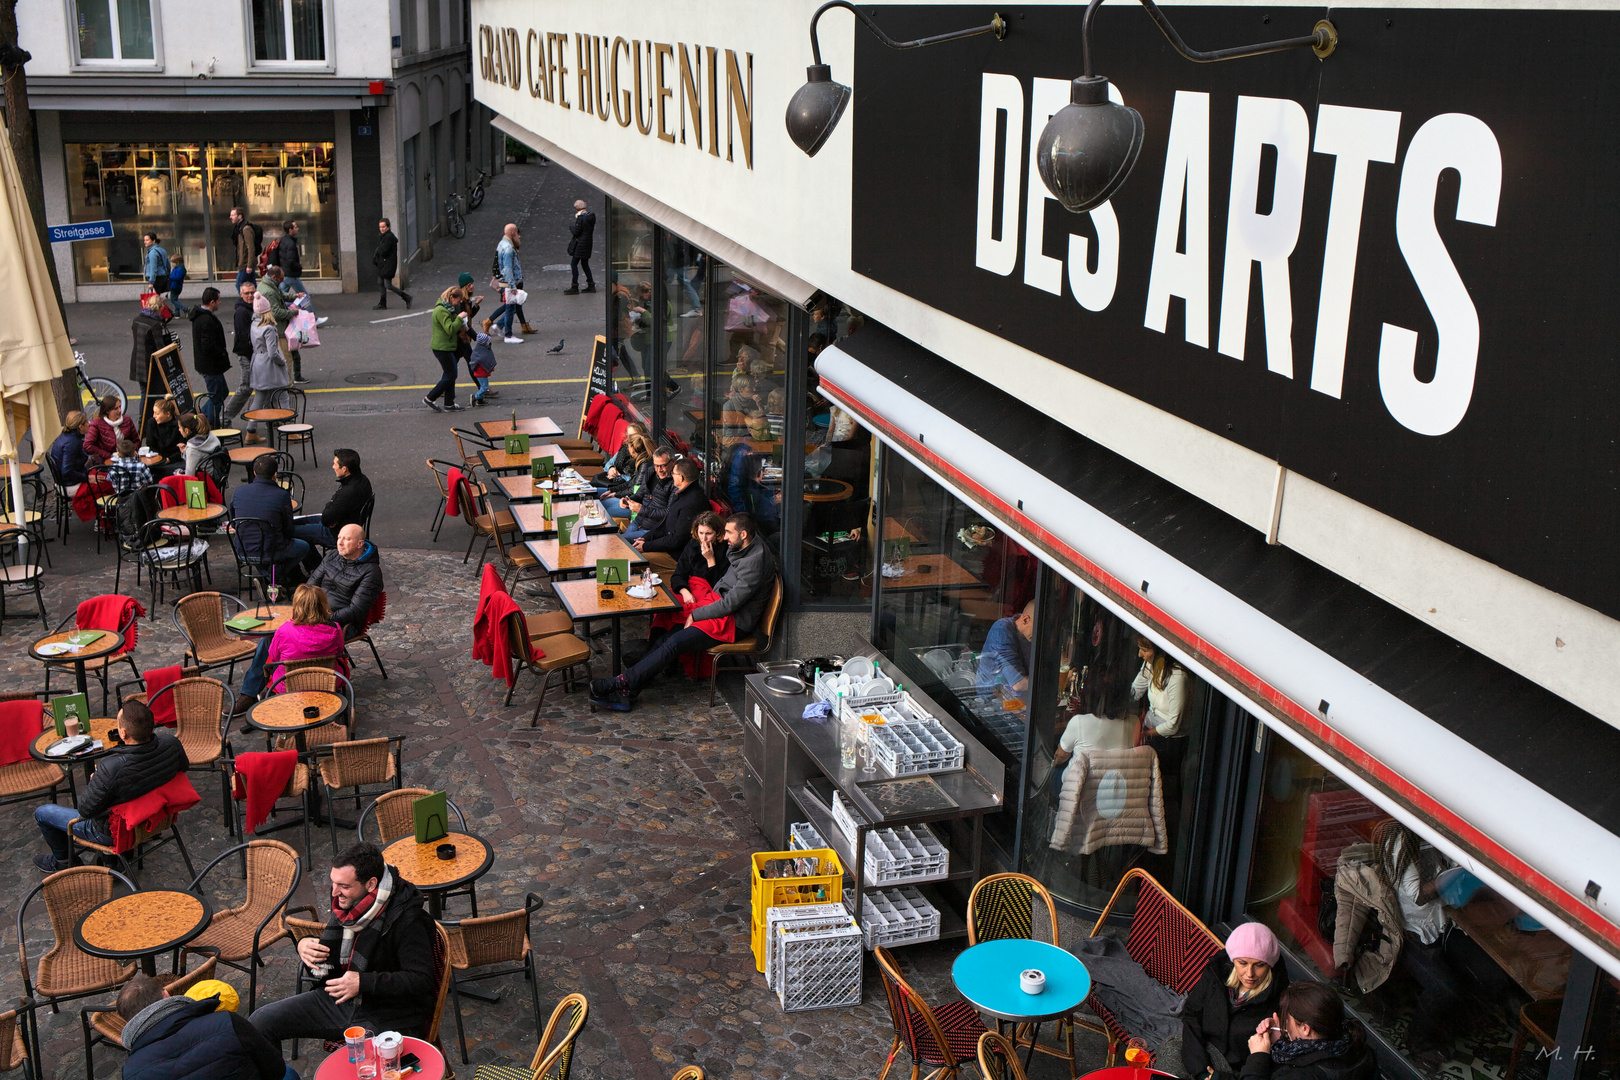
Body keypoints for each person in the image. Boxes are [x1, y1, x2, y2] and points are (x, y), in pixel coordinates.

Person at [249, 842, 437, 1046]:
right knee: (260, 1022)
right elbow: (327, 960)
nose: (334, 892)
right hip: (341, 997)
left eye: (344, 886)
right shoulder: (347, 906)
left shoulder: (409, 919)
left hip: (389, 1012)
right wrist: (303, 944)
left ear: (371, 884)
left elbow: (421, 980)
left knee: (362, 1066)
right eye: (334, 883)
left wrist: (363, 982)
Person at [590, 512, 775, 711]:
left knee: (675, 642)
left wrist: (695, 614)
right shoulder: (746, 547)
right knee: (670, 634)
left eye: (729, 532)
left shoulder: (754, 561)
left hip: (732, 622)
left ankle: (618, 683)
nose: (726, 537)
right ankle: (628, 690)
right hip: (719, 607)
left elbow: (730, 604)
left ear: (744, 534)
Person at [33, 700, 186, 872]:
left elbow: (85, 810)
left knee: (43, 813)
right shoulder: (172, 743)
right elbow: (182, 768)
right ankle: (112, 861)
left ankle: (63, 861)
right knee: (112, 799)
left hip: (116, 833)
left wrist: (96, 781)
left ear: (124, 733)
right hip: (155, 818)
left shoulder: (111, 768)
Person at [115, 971, 296, 1080]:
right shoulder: (226, 1022)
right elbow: (275, 1070)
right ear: (167, 995)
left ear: (129, 1022)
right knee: (289, 1074)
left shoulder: (132, 1072)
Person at [1182, 921, 1292, 1080]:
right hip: (1201, 1055)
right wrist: (1202, 1072)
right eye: (1243, 963)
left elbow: (1264, 1065)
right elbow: (1191, 1015)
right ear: (1233, 960)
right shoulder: (1216, 974)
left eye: (1259, 965)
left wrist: (1219, 1077)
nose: (1250, 973)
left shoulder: (1279, 1000)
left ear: (1269, 965)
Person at [235, 582, 350, 709]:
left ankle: (265, 691)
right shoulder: (335, 628)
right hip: (327, 681)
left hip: (288, 684)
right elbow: (340, 651)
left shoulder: (283, 630)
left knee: (271, 658)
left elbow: (274, 656)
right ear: (323, 605)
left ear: (296, 606)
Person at [1240, 981, 1376, 1080]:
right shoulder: (1357, 1046)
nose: (1284, 1023)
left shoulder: (1301, 1075)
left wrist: (1258, 1058)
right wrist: (1280, 1039)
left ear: (1305, 1029)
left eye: (1287, 1019)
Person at [230, 454, 308, 581]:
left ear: (254, 473)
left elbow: (233, 523)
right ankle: (272, 577)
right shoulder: (281, 495)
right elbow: (288, 529)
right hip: (271, 552)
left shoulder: (238, 492)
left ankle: (268, 575)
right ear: (275, 474)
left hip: (243, 551)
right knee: (304, 547)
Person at [306, 524, 384, 640]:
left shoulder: (371, 572)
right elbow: (310, 586)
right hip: (317, 614)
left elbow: (356, 609)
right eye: (339, 538)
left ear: (360, 544)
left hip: (343, 624)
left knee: (296, 638)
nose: (340, 543)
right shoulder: (332, 556)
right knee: (278, 632)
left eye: (347, 539)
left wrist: (324, 618)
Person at [293, 448, 373, 554]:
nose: (333, 467)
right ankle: (314, 564)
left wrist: (332, 510)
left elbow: (326, 519)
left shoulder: (347, 492)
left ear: (344, 469)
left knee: (291, 531)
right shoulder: (362, 480)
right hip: (345, 523)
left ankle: (314, 565)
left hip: (336, 533)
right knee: (295, 522)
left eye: (335, 464)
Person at [635, 457, 706, 562]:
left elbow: (677, 540)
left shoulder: (692, 502)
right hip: (667, 547)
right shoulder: (681, 494)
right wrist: (646, 538)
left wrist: (646, 546)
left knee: (636, 560)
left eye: (673, 473)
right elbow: (665, 524)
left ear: (681, 478)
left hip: (676, 556)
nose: (671, 475)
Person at [245, 295, 290, 442]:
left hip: (257, 362)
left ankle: (251, 431)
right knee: (283, 394)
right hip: (269, 366)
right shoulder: (269, 328)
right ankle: (289, 429)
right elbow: (272, 352)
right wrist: (282, 361)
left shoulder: (254, 324)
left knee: (259, 397)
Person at [258, 265, 308, 385]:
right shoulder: (269, 291)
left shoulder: (269, 285)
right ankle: (287, 385)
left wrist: (294, 296)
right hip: (278, 329)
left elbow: (281, 295)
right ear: (275, 277)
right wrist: (293, 312)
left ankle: (290, 380)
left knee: (291, 354)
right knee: (287, 358)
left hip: (278, 327)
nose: (282, 281)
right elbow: (276, 313)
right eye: (281, 279)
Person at [224, 282, 261, 443]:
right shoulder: (241, 312)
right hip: (247, 355)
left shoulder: (251, 308)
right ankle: (225, 418)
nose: (250, 295)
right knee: (246, 387)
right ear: (241, 294)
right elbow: (244, 336)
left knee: (259, 387)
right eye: (247, 293)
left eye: (252, 292)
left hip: (252, 354)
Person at [188, 287, 231, 425]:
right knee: (217, 398)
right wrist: (221, 352)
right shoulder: (206, 320)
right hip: (211, 365)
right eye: (218, 300)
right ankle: (207, 423)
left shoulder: (200, 316)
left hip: (207, 364)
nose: (219, 303)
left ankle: (201, 417)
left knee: (222, 392)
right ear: (212, 302)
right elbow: (208, 345)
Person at [977, 600, 1034, 697]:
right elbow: (1018, 684)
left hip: (1019, 696)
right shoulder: (1001, 631)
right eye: (1038, 629)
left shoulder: (1028, 634)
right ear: (1025, 620)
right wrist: (1050, 681)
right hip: (992, 698)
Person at [424, 285, 467, 412]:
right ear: (451, 297)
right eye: (458, 301)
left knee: (450, 374)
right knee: (451, 374)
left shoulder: (447, 308)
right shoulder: (442, 311)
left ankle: (449, 403)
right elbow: (449, 329)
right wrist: (460, 318)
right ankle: (430, 397)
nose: (458, 304)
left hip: (447, 346)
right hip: (442, 347)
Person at [671, 510, 730, 601]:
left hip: (711, 594)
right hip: (690, 589)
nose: (703, 538)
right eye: (701, 533)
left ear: (718, 533)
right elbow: (678, 574)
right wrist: (684, 591)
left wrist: (710, 559)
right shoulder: (692, 545)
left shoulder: (725, 549)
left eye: (708, 533)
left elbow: (720, 585)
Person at [621, 449, 674, 543]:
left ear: (673, 462)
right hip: (638, 522)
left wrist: (641, 510)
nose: (659, 470)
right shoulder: (651, 472)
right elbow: (640, 494)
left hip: (653, 530)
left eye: (663, 465)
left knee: (621, 541)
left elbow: (669, 513)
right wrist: (628, 500)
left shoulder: (675, 483)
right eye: (656, 465)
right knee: (621, 542)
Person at [130, 292, 169, 419]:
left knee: (144, 394)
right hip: (150, 366)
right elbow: (160, 349)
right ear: (160, 308)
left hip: (137, 362)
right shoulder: (155, 325)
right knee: (156, 394)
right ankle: (152, 420)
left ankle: (142, 422)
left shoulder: (137, 320)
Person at [494, 223, 533, 340]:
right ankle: (508, 335)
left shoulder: (502, 244)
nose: (519, 236)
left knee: (512, 307)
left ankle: (501, 326)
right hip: (509, 282)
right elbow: (508, 268)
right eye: (517, 233)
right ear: (512, 233)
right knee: (511, 308)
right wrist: (512, 286)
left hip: (505, 281)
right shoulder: (508, 248)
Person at [84, 394, 136, 466]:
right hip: (106, 461)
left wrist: (132, 451)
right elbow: (88, 445)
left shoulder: (127, 420)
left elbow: (136, 440)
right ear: (107, 411)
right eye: (116, 408)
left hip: (128, 459)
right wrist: (107, 455)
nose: (120, 410)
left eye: (120, 407)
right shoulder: (96, 424)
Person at [372, 217, 412, 309]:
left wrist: (378, 251)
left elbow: (384, 251)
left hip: (387, 265)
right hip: (383, 265)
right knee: (380, 282)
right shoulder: (384, 237)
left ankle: (406, 297)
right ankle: (382, 303)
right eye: (380, 227)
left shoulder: (388, 238)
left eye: (384, 227)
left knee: (387, 285)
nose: (382, 229)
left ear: (388, 227)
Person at [48, 410, 91, 488]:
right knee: (106, 484)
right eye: (87, 422)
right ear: (81, 427)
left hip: (65, 481)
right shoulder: (72, 443)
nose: (89, 424)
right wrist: (87, 478)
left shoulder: (64, 436)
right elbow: (67, 471)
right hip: (70, 484)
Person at [145, 397, 185, 477]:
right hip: (158, 458)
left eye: (157, 414)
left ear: (168, 414)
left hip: (176, 459)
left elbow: (183, 448)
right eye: (154, 413)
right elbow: (150, 444)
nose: (154, 416)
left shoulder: (179, 425)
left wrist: (169, 460)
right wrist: (160, 459)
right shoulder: (152, 423)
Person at [565, 198, 596, 294]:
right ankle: (591, 284)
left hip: (580, 245)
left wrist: (571, 227)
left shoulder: (581, 218)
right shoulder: (590, 217)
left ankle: (574, 286)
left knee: (573, 264)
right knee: (585, 264)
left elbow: (576, 232)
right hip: (587, 244)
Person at [230, 206, 262, 289]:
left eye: (233, 215)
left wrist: (249, 265)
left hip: (245, 264)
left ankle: (245, 301)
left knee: (239, 285)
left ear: (240, 216)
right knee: (252, 285)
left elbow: (250, 247)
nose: (231, 217)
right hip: (244, 263)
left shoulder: (246, 229)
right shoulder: (239, 229)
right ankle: (254, 301)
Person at [181, 412, 220, 478]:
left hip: (204, 482)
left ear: (186, 430)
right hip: (216, 475)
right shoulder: (210, 437)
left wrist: (179, 475)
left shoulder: (192, 449)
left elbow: (189, 477)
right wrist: (185, 451)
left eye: (179, 428)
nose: (179, 430)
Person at [468, 320, 498, 406]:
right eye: (487, 341)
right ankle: (476, 397)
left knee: (483, 387)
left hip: (480, 373)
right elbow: (485, 361)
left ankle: (480, 401)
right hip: (481, 373)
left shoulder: (480, 350)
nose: (489, 342)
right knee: (485, 388)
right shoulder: (482, 353)